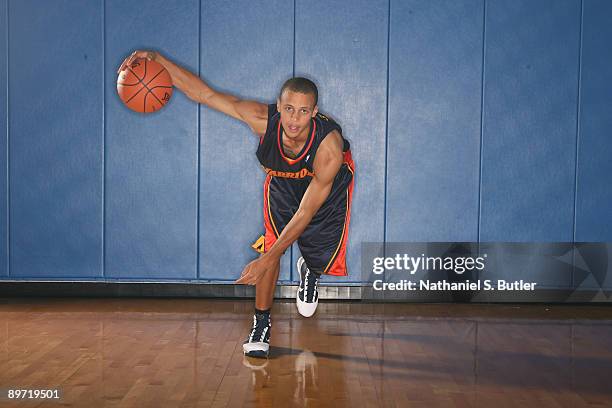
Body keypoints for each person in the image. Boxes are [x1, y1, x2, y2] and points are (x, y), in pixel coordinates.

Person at [118, 51, 355, 358]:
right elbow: (203, 94)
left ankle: (311, 267)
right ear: (279, 107)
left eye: (303, 111)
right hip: (284, 181)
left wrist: (267, 260)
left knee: (306, 251)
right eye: (288, 109)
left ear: (314, 112)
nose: (294, 119)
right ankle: (261, 323)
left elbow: (306, 212)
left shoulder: (329, 150)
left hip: (328, 184)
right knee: (270, 245)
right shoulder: (261, 119)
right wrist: (156, 59)